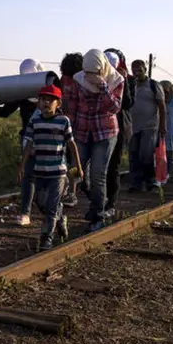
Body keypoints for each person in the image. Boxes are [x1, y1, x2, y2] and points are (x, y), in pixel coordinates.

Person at [64, 49, 123, 231]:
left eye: (93, 73)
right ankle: (95, 198)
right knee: (76, 170)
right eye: (87, 72)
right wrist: (67, 132)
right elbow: (72, 106)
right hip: (82, 132)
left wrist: (103, 86)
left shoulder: (116, 80)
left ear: (102, 69)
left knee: (98, 174)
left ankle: (98, 214)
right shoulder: (78, 79)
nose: (89, 77)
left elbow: (114, 108)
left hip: (104, 133)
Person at [20, 85, 83, 251]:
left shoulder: (63, 121)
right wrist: (22, 166)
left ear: (58, 103)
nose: (46, 102)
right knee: (41, 203)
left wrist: (78, 166)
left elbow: (71, 144)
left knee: (51, 207)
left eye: (50, 99)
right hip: (39, 172)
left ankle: (46, 238)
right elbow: (28, 146)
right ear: (38, 103)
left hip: (58, 173)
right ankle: (61, 217)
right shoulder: (35, 121)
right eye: (42, 99)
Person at [0, 58, 44, 226]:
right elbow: (4, 112)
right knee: (28, 176)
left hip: (48, 137)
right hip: (28, 138)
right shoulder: (22, 94)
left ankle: (50, 208)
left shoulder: (48, 92)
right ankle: (25, 212)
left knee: (47, 176)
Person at [102, 49, 134, 214]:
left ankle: (111, 203)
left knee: (113, 165)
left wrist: (124, 80)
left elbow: (127, 103)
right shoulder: (98, 77)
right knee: (100, 165)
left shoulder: (129, 80)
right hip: (101, 126)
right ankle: (102, 198)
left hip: (120, 128)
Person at [128, 60, 167, 191]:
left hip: (150, 126)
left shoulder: (153, 85)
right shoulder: (130, 85)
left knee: (146, 153)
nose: (136, 73)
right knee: (133, 155)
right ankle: (136, 184)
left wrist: (163, 126)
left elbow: (162, 106)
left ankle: (151, 181)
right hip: (133, 126)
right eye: (134, 70)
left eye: (139, 70)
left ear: (145, 69)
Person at [58, 52, 84, 207]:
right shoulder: (81, 81)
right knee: (74, 159)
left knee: (62, 158)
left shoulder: (62, 81)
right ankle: (72, 193)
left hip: (61, 124)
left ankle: (63, 192)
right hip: (77, 124)